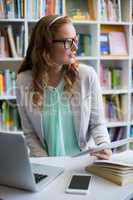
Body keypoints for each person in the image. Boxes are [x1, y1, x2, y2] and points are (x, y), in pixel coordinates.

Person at [16, 15, 112, 159]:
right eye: (68, 42)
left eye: (75, 40)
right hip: (46, 165)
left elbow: (97, 124)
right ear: (46, 45)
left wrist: (104, 145)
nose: (75, 47)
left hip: (82, 163)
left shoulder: (87, 75)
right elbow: (30, 133)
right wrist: (47, 164)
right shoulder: (23, 80)